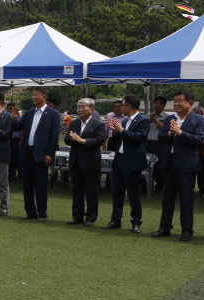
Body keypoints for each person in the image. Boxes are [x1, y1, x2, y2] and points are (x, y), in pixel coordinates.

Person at [154, 91, 204, 241]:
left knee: (186, 199)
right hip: (169, 163)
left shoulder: (199, 119)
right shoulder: (170, 118)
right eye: (175, 101)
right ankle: (164, 227)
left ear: (190, 103)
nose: (176, 104)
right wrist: (171, 134)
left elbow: (198, 140)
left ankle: (186, 230)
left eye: (179, 101)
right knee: (167, 198)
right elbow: (161, 137)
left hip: (187, 165)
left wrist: (180, 132)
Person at [103, 94, 150, 233]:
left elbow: (137, 138)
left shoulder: (143, 121)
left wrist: (121, 131)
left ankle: (136, 222)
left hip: (133, 161)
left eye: (122, 105)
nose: (119, 108)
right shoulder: (123, 121)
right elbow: (121, 138)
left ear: (129, 106)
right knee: (117, 191)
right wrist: (116, 131)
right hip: (120, 159)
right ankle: (115, 219)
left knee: (133, 193)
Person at [13, 87, 60, 221]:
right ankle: (30, 211)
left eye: (36, 94)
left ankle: (42, 213)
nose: (33, 97)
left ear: (44, 97)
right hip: (27, 152)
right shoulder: (29, 113)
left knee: (40, 185)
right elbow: (18, 127)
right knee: (27, 184)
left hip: (41, 153)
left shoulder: (53, 114)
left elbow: (54, 136)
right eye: (32, 94)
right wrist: (15, 119)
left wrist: (50, 153)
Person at [65, 98, 106, 226]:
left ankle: (91, 217)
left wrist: (82, 140)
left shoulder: (98, 124)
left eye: (83, 107)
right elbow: (67, 139)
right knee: (76, 190)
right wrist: (72, 139)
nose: (80, 109)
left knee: (91, 191)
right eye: (79, 107)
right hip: (76, 161)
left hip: (91, 161)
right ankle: (77, 216)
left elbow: (99, 141)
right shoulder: (75, 123)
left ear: (91, 109)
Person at [146, 96, 167, 192]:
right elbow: (143, 129)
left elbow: (165, 129)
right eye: (155, 103)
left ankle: (159, 186)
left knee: (159, 166)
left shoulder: (167, 117)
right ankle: (145, 186)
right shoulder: (148, 116)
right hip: (148, 143)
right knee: (145, 164)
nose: (156, 105)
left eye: (158, 103)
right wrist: (149, 121)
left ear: (163, 105)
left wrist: (155, 121)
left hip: (160, 144)